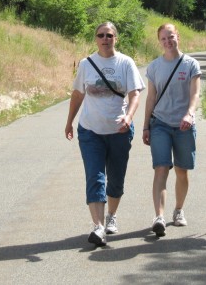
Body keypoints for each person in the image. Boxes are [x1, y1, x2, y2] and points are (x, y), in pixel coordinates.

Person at [65, 22, 145, 246]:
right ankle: (98, 226)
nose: (105, 38)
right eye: (101, 35)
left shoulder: (126, 63)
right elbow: (78, 94)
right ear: (95, 39)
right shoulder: (86, 64)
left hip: (119, 132)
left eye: (109, 35)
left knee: (116, 178)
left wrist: (128, 117)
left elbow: (135, 94)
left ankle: (112, 216)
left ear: (115, 39)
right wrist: (69, 122)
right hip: (90, 131)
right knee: (95, 176)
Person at [142, 23, 201, 237]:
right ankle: (159, 216)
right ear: (159, 42)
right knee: (161, 168)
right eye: (163, 39)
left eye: (171, 37)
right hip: (160, 124)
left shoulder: (191, 64)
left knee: (182, 171)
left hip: (184, 125)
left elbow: (194, 95)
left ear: (178, 37)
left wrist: (190, 114)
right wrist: (146, 125)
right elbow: (151, 97)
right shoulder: (154, 67)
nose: (168, 42)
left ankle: (178, 210)